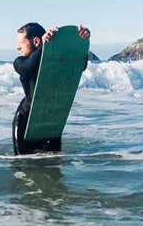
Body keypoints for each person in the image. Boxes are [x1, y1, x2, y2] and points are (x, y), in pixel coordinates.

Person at [13, 22, 91, 155]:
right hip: (26, 123)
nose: (17, 47)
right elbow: (30, 65)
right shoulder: (20, 62)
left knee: (54, 166)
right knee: (23, 167)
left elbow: (79, 65)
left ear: (36, 41)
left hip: (52, 120)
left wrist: (80, 41)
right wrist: (45, 46)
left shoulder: (57, 61)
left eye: (21, 43)